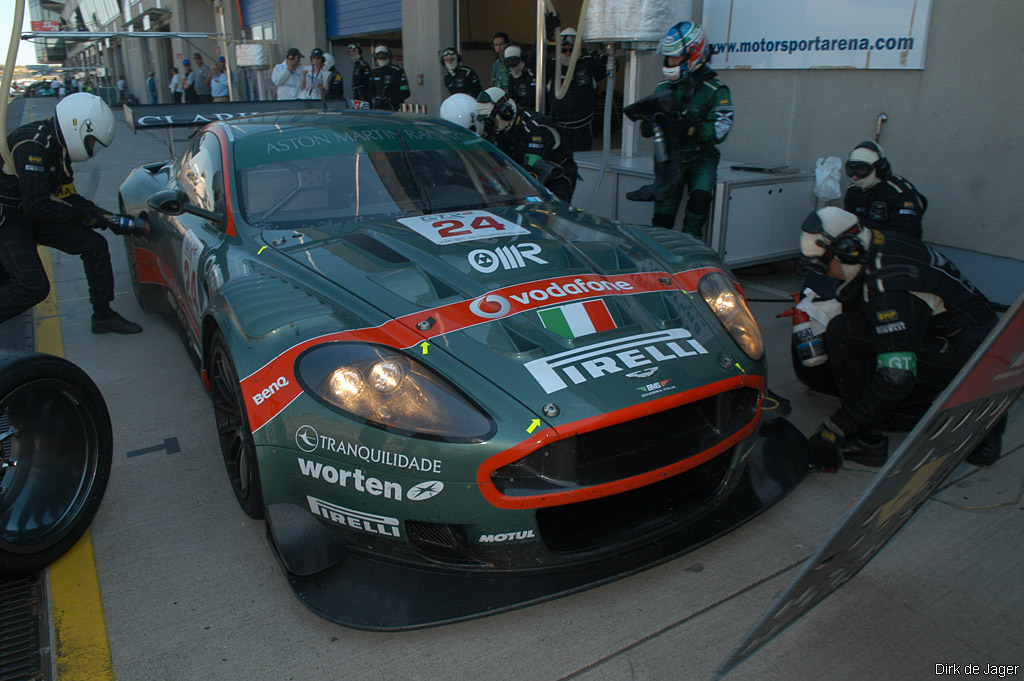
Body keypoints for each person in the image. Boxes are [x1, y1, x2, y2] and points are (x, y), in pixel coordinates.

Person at [797, 207, 1003, 471]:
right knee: (847, 327)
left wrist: (836, 427)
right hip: (978, 340)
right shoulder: (884, 242)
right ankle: (970, 422)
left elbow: (896, 376)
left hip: (971, 360)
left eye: (822, 265)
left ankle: (869, 441)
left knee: (845, 335)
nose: (824, 274)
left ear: (848, 250)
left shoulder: (889, 289)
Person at [0, 93, 149, 334]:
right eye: (92, 142)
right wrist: (90, 217)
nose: (92, 148)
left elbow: (68, 198)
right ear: (78, 127)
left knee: (94, 246)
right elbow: (37, 204)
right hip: (8, 219)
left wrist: (107, 219)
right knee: (32, 286)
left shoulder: (58, 148)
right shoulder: (34, 144)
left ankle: (102, 316)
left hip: (29, 215)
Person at [625, 21, 733, 239]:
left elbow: (720, 131)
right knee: (662, 216)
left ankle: (691, 254)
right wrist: (649, 124)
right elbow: (651, 120)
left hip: (702, 157)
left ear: (693, 54)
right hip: (671, 158)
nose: (671, 62)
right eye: (669, 57)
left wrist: (690, 128)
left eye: (676, 57)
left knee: (699, 202)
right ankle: (660, 257)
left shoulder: (715, 90)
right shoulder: (663, 88)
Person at [476, 87, 578, 203]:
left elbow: (531, 170)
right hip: (527, 176)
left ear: (506, 112)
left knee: (554, 213)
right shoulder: (503, 129)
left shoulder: (536, 128)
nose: (490, 126)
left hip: (557, 177)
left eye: (490, 121)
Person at [843, 141, 926, 240]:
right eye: (851, 170)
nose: (855, 176)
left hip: (895, 249)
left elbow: (905, 236)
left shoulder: (900, 192)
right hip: (863, 245)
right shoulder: (853, 190)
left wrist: (860, 225)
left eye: (861, 170)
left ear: (879, 170)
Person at [547, 27, 608, 152]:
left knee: (583, 163)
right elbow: (533, 63)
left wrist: (602, 55)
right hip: (559, 127)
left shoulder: (588, 64)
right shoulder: (551, 66)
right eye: (564, 50)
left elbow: (610, 67)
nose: (568, 53)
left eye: (571, 50)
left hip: (583, 128)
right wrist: (547, 33)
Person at [368, 45, 410, 111]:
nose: (382, 58)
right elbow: (369, 89)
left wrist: (390, 99)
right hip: (377, 107)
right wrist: (374, 99)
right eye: (379, 56)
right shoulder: (374, 71)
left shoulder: (397, 70)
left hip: (393, 107)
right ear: (375, 57)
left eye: (383, 56)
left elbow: (405, 92)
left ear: (388, 55)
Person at [502, 44, 536, 110]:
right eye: (508, 62)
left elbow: (530, 98)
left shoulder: (531, 74)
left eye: (514, 61)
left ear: (522, 58)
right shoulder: (511, 77)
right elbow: (511, 98)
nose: (512, 66)